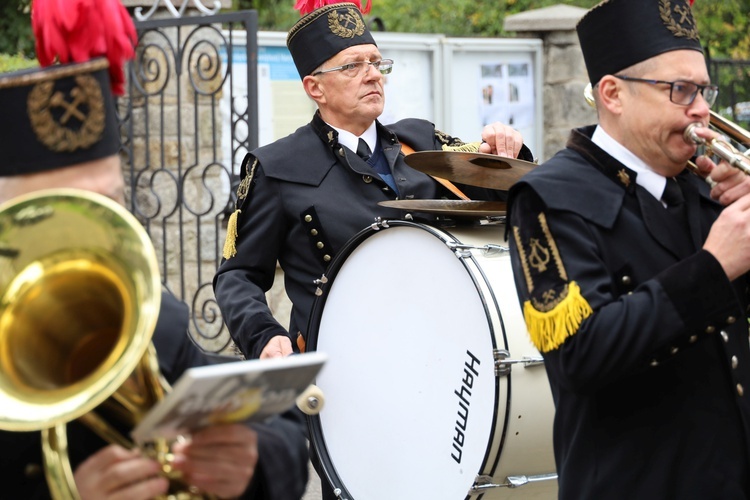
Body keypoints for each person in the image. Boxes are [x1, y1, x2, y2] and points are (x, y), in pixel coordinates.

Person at [0, 48, 309, 500]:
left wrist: (250, 460)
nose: (90, 228)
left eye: (109, 202)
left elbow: (280, 432)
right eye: (58, 209)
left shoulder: (147, 311)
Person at [507, 0, 750, 498]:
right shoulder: (548, 198)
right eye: (680, 90)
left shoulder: (706, 189)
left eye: (703, 90)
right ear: (613, 94)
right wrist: (714, 267)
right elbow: (581, 356)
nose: (702, 109)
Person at [213, 1, 535, 362]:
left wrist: (508, 152)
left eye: (376, 63)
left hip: (448, 348)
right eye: (353, 66)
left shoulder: (421, 139)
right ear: (314, 88)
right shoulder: (275, 167)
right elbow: (238, 275)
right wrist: (264, 336)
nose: (373, 75)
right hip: (343, 370)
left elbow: (505, 194)